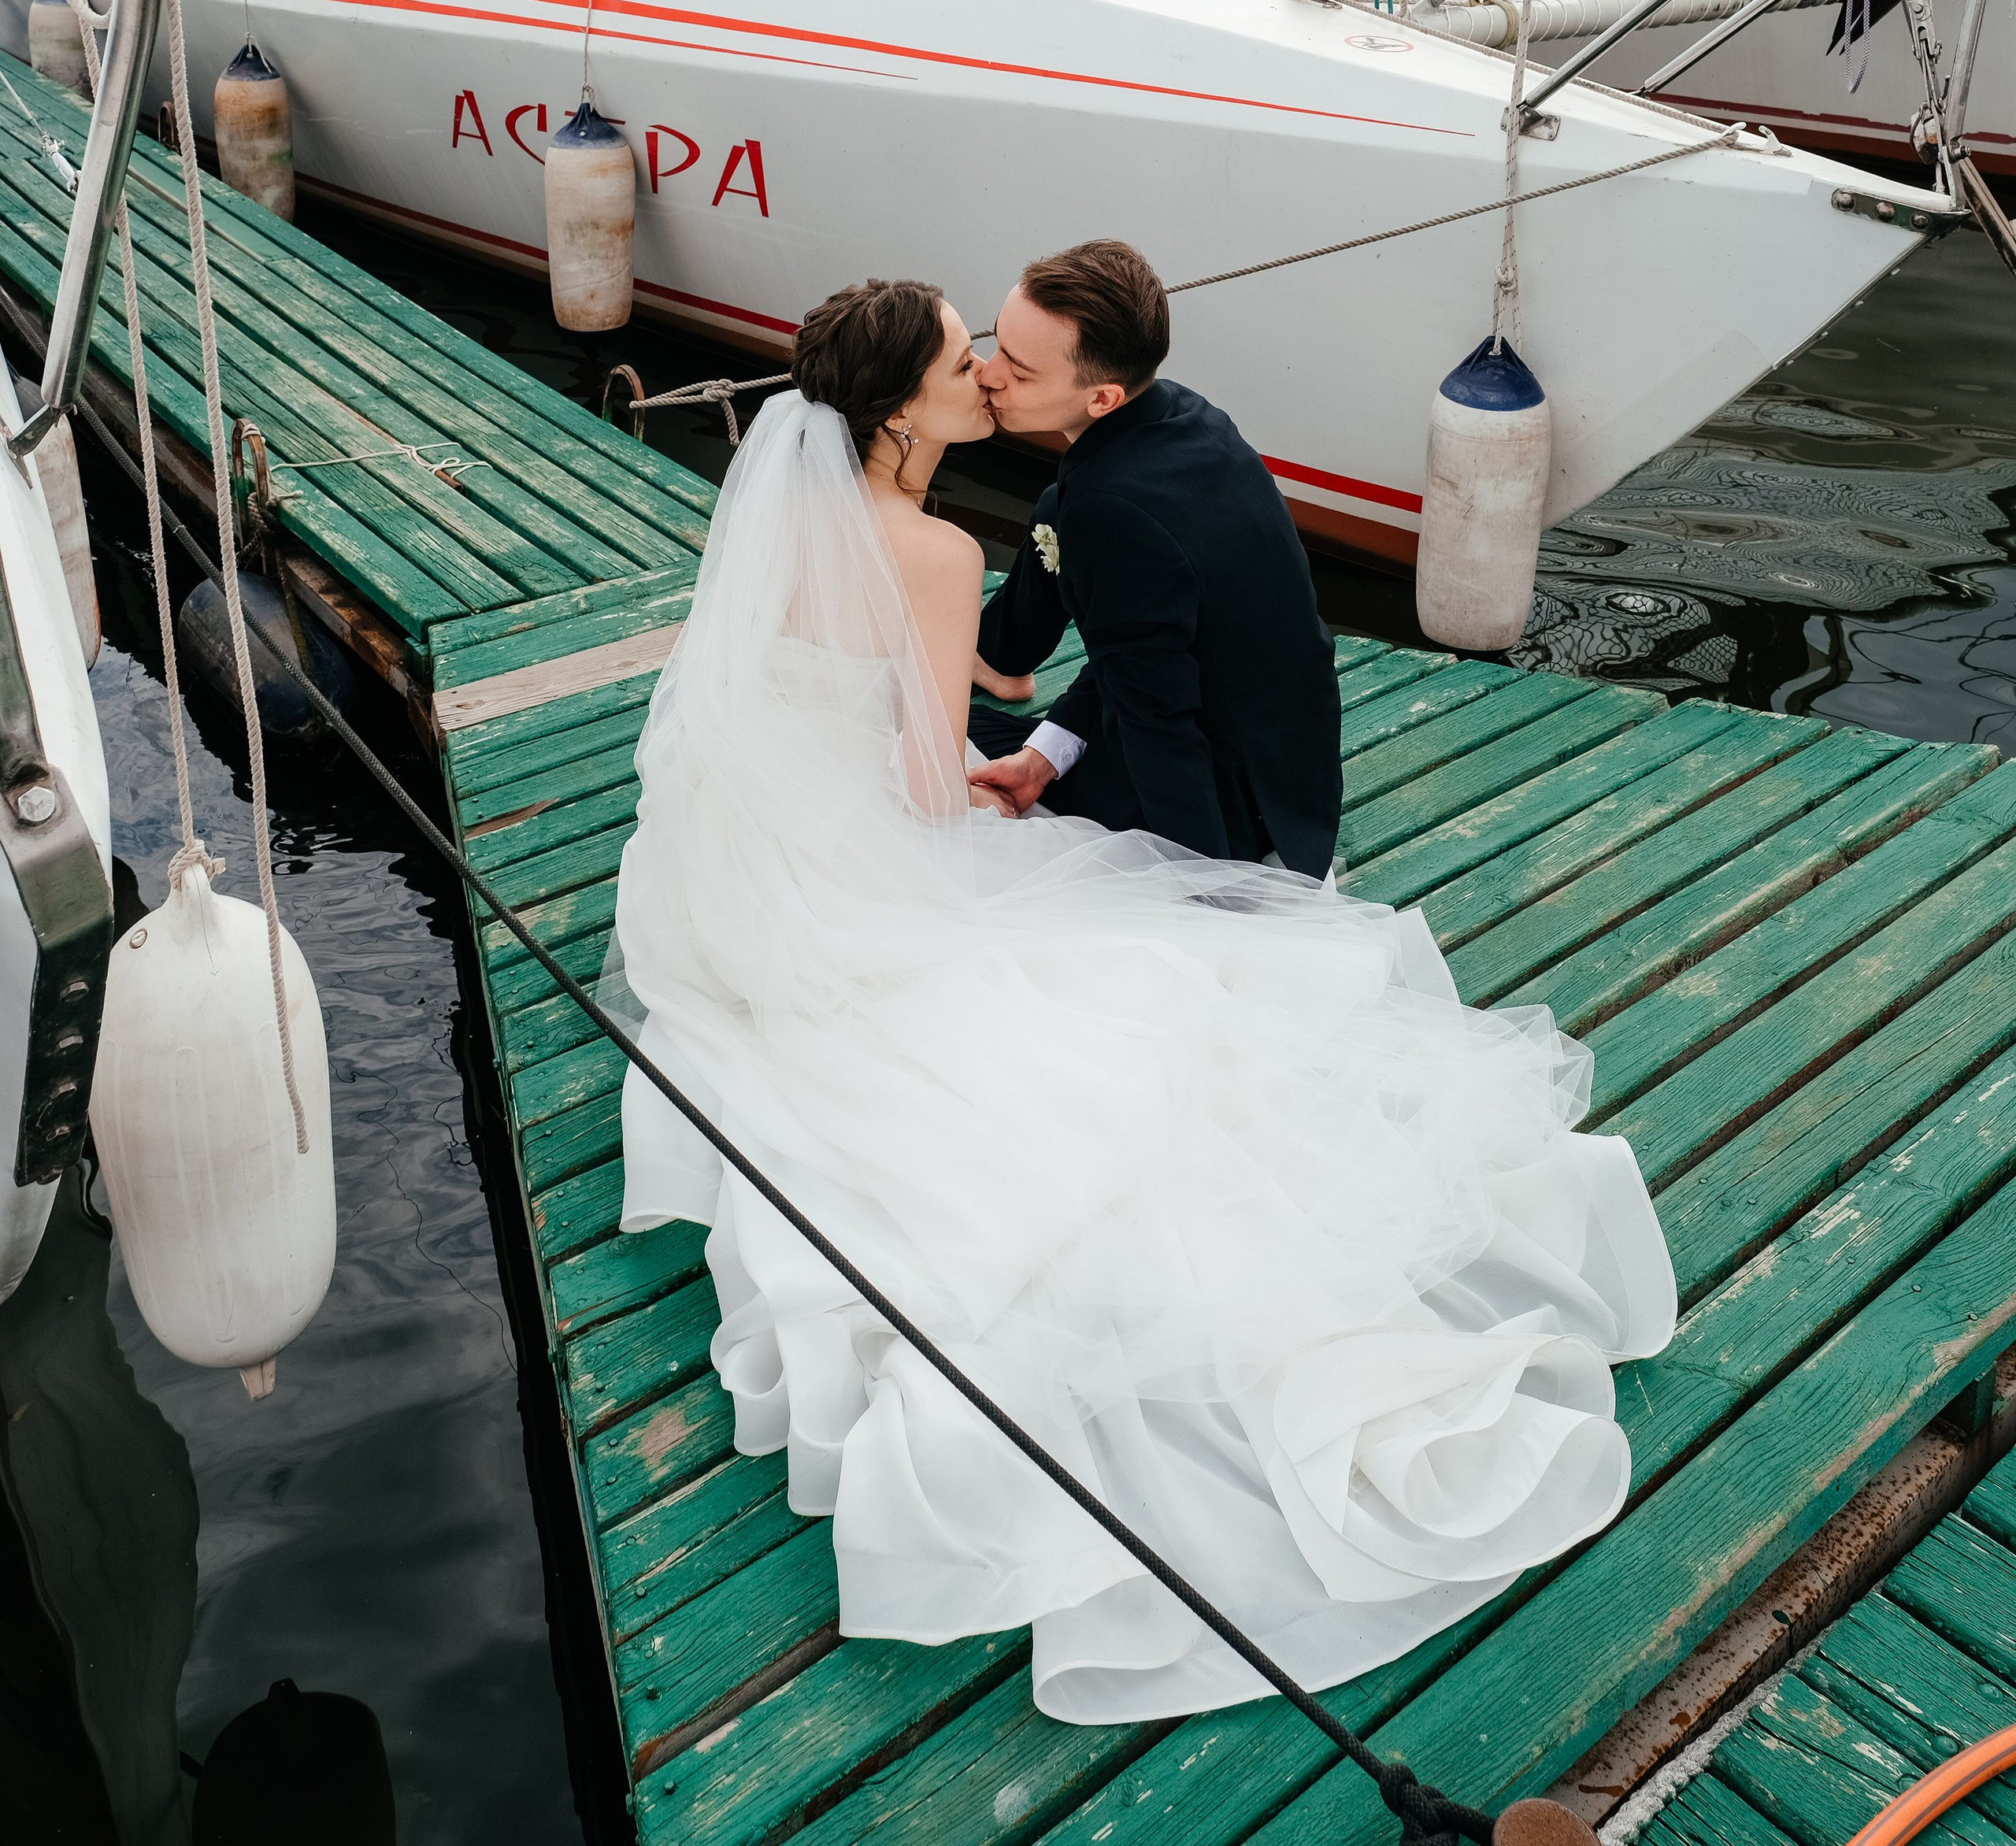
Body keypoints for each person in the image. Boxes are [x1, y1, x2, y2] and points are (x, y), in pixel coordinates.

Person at [606, 276, 1675, 1725]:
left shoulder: (784, 520)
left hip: (730, 877)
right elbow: (926, 789)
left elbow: (793, 715)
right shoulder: (922, 545)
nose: (981, 372)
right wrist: (997, 808)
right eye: (960, 356)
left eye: (996, 354)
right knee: (1137, 1020)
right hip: (864, 868)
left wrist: (1009, 765)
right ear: (904, 406)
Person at [965, 240, 1343, 879]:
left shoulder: (1108, 510)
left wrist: (1203, 889)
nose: (988, 372)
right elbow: (1145, 649)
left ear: (1103, 399)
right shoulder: (1193, 418)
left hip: (1221, 806)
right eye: (997, 342)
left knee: (936, 734)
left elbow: (1155, 719)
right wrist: (1046, 755)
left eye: (1020, 370)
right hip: (1295, 775)